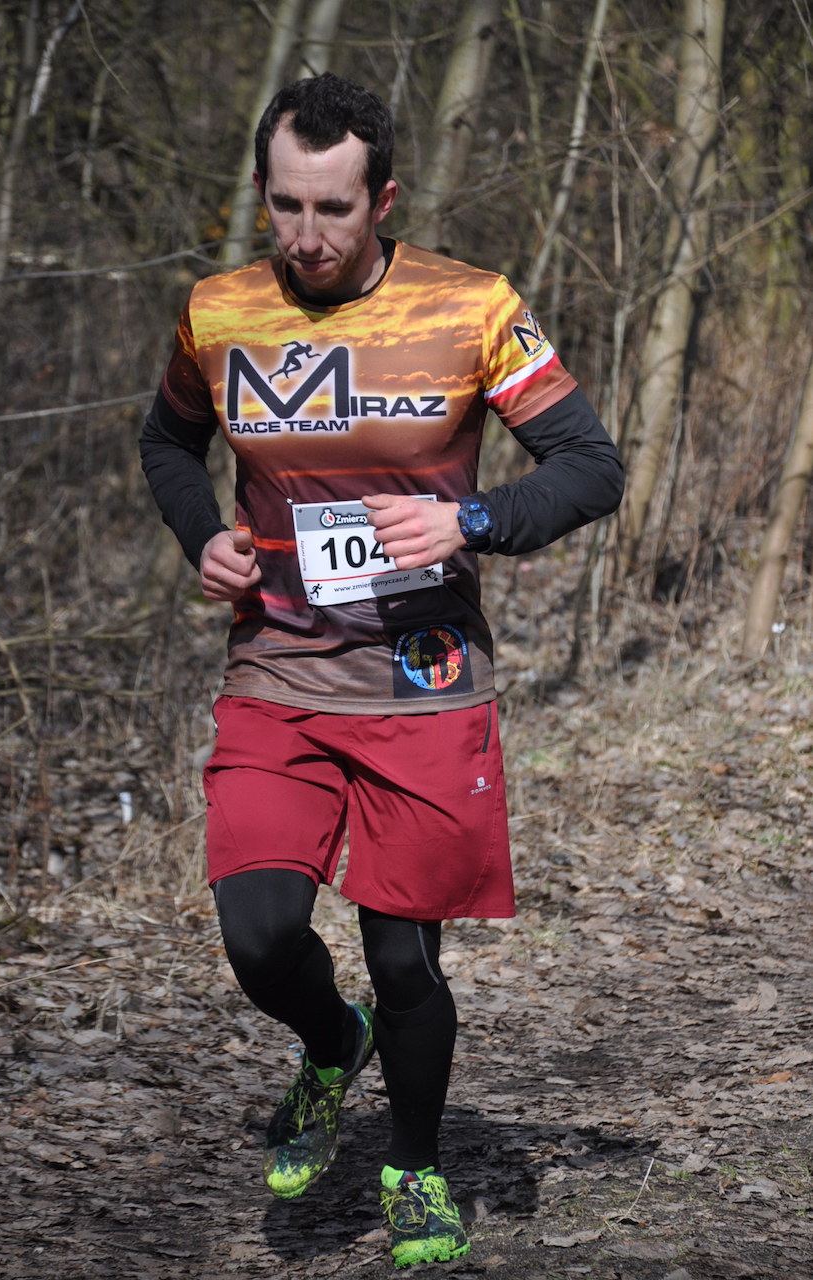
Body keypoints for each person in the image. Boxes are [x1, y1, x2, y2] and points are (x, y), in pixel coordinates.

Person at [140, 72, 623, 1270]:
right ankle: (328, 1037)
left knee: (406, 955)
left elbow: (589, 465)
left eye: (333, 208)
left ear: (383, 200)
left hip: (421, 679)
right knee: (259, 935)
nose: (305, 235)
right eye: (285, 205)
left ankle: (411, 1163)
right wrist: (199, 533)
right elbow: (167, 440)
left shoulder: (470, 306)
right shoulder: (220, 312)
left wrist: (473, 518)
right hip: (278, 671)